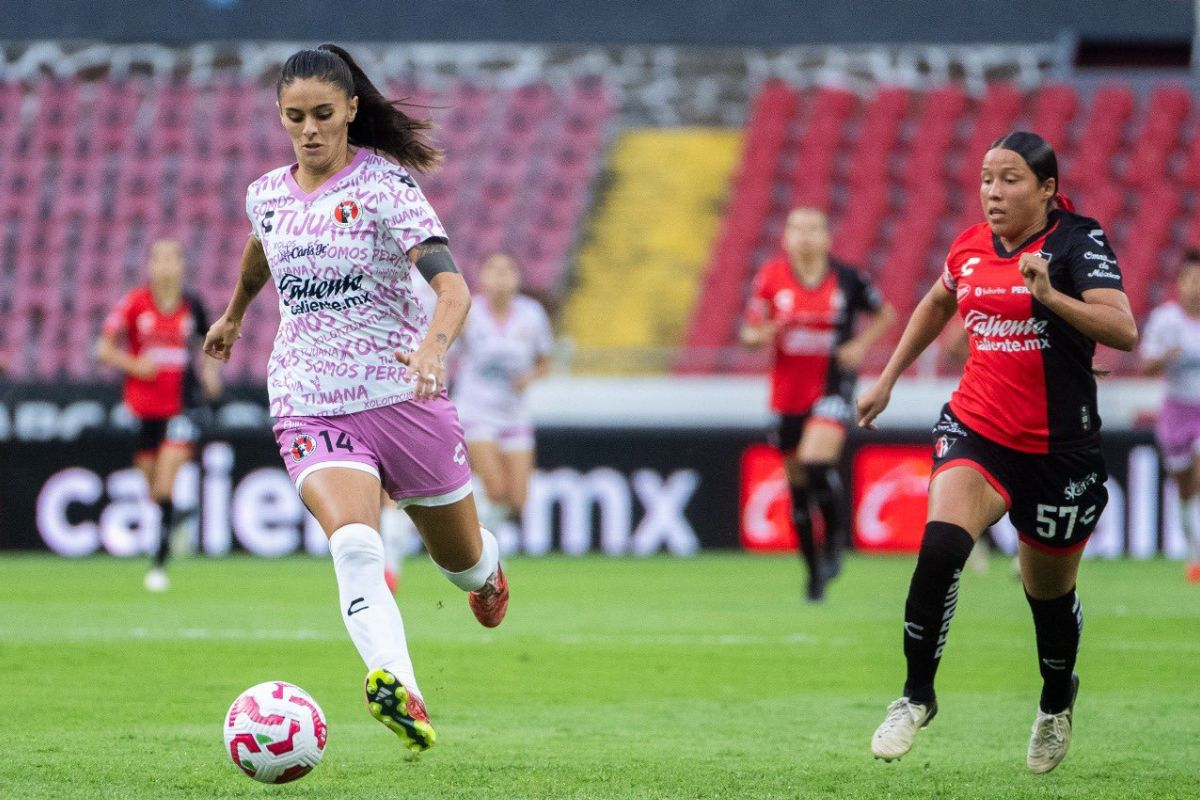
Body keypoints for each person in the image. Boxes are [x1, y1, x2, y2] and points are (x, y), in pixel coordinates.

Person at [202, 43, 508, 755]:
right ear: (281, 118)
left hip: (403, 397)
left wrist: (433, 347)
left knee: (458, 563)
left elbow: (453, 289)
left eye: (322, 115)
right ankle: (398, 685)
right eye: (294, 117)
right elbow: (262, 248)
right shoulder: (267, 194)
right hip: (308, 401)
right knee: (355, 544)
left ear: (351, 112)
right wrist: (234, 315)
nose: (308, 130)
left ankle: (488, 573)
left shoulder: (386, 188)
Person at [858, 132, 1137, 773]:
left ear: (1045, 189)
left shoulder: (1077, 241)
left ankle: (1055, 698)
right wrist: (888, 378)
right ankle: (915, 696)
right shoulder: (968, 246)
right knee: (940, 548)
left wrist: (1049, 297)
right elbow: (936, 300)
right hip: (978, 428)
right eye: (986, 178)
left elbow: (1123, 329)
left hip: (1059, 450)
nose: (993, 192)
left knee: (1047, 599)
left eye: (1009, 179)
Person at [740, 207, 895, 602]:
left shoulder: (847, 278)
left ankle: (836, 542)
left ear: (827, 238)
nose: (805, 236)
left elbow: (885, 314)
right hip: (786, 394)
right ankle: (813, 574)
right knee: (797, 488)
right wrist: (762, 335)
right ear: (785, 238)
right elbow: (749, 332)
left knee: (814, 461)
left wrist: (859, 346)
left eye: (813, 229)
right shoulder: (771, 278)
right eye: (797, 229)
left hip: (831, 388)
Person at [97, 238, 222, 592]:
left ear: (182, 266)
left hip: (183, 406)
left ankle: (159, 563)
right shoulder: (135, 303)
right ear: (150, 266)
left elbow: (211, 344)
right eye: (160, 260)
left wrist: (211, 375)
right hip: (144, 409)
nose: (166, 267)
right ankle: (174, 515)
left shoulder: (192, 306)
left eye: (173, 259)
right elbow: (103, 349)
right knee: (153, 488)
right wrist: (133, 363)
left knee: (165, 480)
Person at [451, 251, 553, 540]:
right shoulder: (469, 313)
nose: (501, 277)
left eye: (507, 270)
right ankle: (487, 554)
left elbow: (544, 363)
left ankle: (487, 539)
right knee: (495, 489)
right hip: (476, 411)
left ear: (517, 278)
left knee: (518, 499)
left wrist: (529, 378)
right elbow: (448, 353)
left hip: (514, 413)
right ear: (482, 277)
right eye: (494, 270)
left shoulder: (531, 314)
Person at [1140, 251, 1200, 581]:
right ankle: (1194, 548)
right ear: (1180, 284)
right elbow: (1145, 365)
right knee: (1185, 487)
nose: (1197, 288)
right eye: (1192, 280)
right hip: (1176, 411)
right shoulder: (1167, 319)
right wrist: (1167, 357)